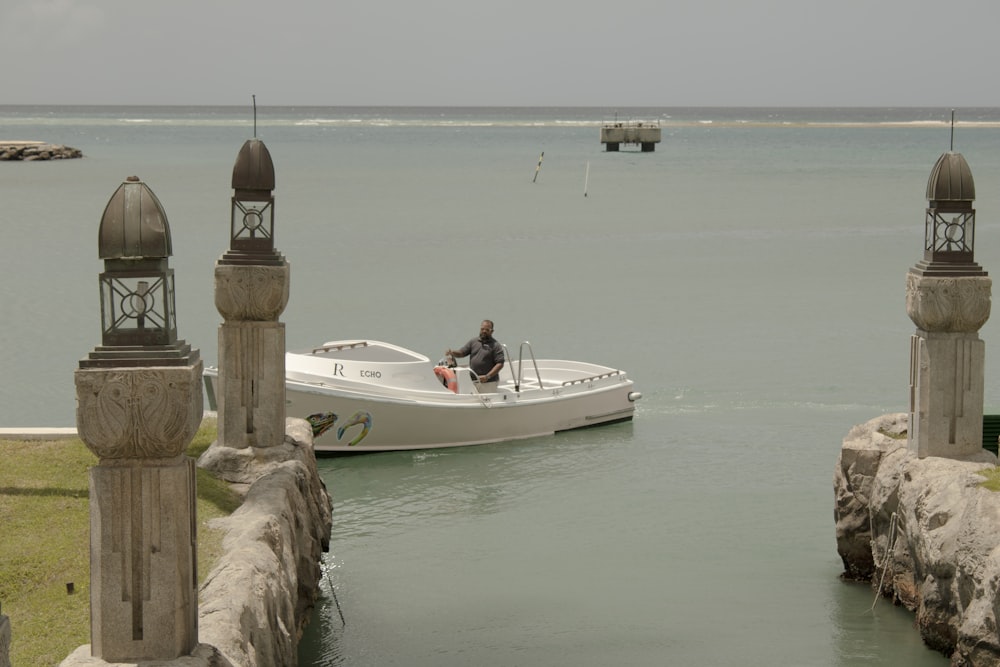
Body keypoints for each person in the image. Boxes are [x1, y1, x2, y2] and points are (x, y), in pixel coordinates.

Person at [446, 319, 505, 391]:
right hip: (474, 380)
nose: (484, 331)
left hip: (489, 382)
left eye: (487, 330)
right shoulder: (473, 341)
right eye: (482, 329)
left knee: (485, 401)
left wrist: (487, 376)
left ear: (492, 331)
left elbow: (500, 364)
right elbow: (462, 353)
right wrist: (452, 352)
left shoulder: (496, 345)